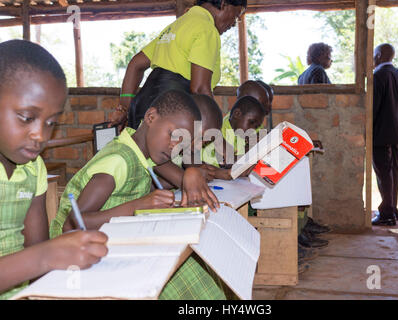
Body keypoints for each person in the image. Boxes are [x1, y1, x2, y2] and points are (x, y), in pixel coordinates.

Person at [50, 90, 226, 299]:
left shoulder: (145, 155)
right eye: (173, 136)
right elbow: (72, 224)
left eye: (183, 144)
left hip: (113, 239)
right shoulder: (118, 161)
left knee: (193, 269)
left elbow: (176, 178)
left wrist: (192, 173)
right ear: (151, 117)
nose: (175, 147)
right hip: (78, 250)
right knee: (177, 275)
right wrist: (138, 206)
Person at [0, 39, 108, 300]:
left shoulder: (33, 169)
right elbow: (40, 256)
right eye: (27, 118)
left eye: (51, 122)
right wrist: (47, 256)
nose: (40, 135)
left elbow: (36, 251)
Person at [110, 0, 247, 131]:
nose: (234, 24)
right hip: (170, 115)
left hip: (141, 109)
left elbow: (135, 64)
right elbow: (199, 89)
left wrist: (124, 108)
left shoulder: (176, 26)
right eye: (236, 16)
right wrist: (217, 132)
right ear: (223, 4)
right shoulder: (206, 28)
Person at [371, 43, 398, 226]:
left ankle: (387, 213)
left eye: (373, 55)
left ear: (379, 55)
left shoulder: (377, 76)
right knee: (394, 171)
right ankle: (393, 209)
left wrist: (366, 131)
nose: (372, 58)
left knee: (384, 174)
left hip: (381, 134)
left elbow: (373, 108)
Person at [202, 95, 265, 172]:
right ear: (237, 114)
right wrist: (252, 148)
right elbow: (230, 163)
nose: (252, 130)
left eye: (256, 127)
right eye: (251, 122)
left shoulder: (240, 134)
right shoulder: (220, 131)